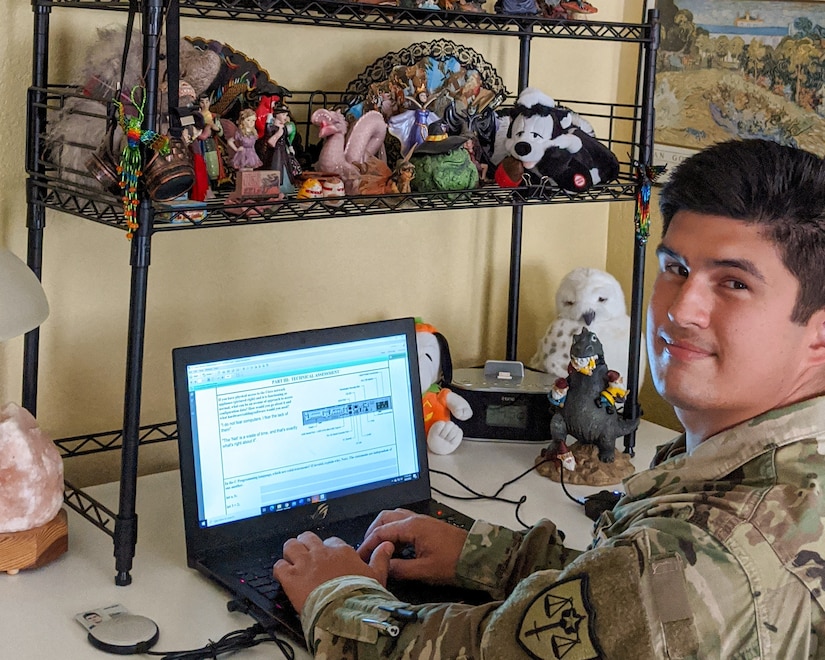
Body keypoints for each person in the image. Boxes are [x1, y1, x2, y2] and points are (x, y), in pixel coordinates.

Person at [273, 140, 825, 658]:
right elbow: (624, 604)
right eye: (676, 269)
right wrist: (491, 558)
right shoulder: (777, 469)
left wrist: (337, 594)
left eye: (733, 283)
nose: (682, 309)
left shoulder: (712, 559)